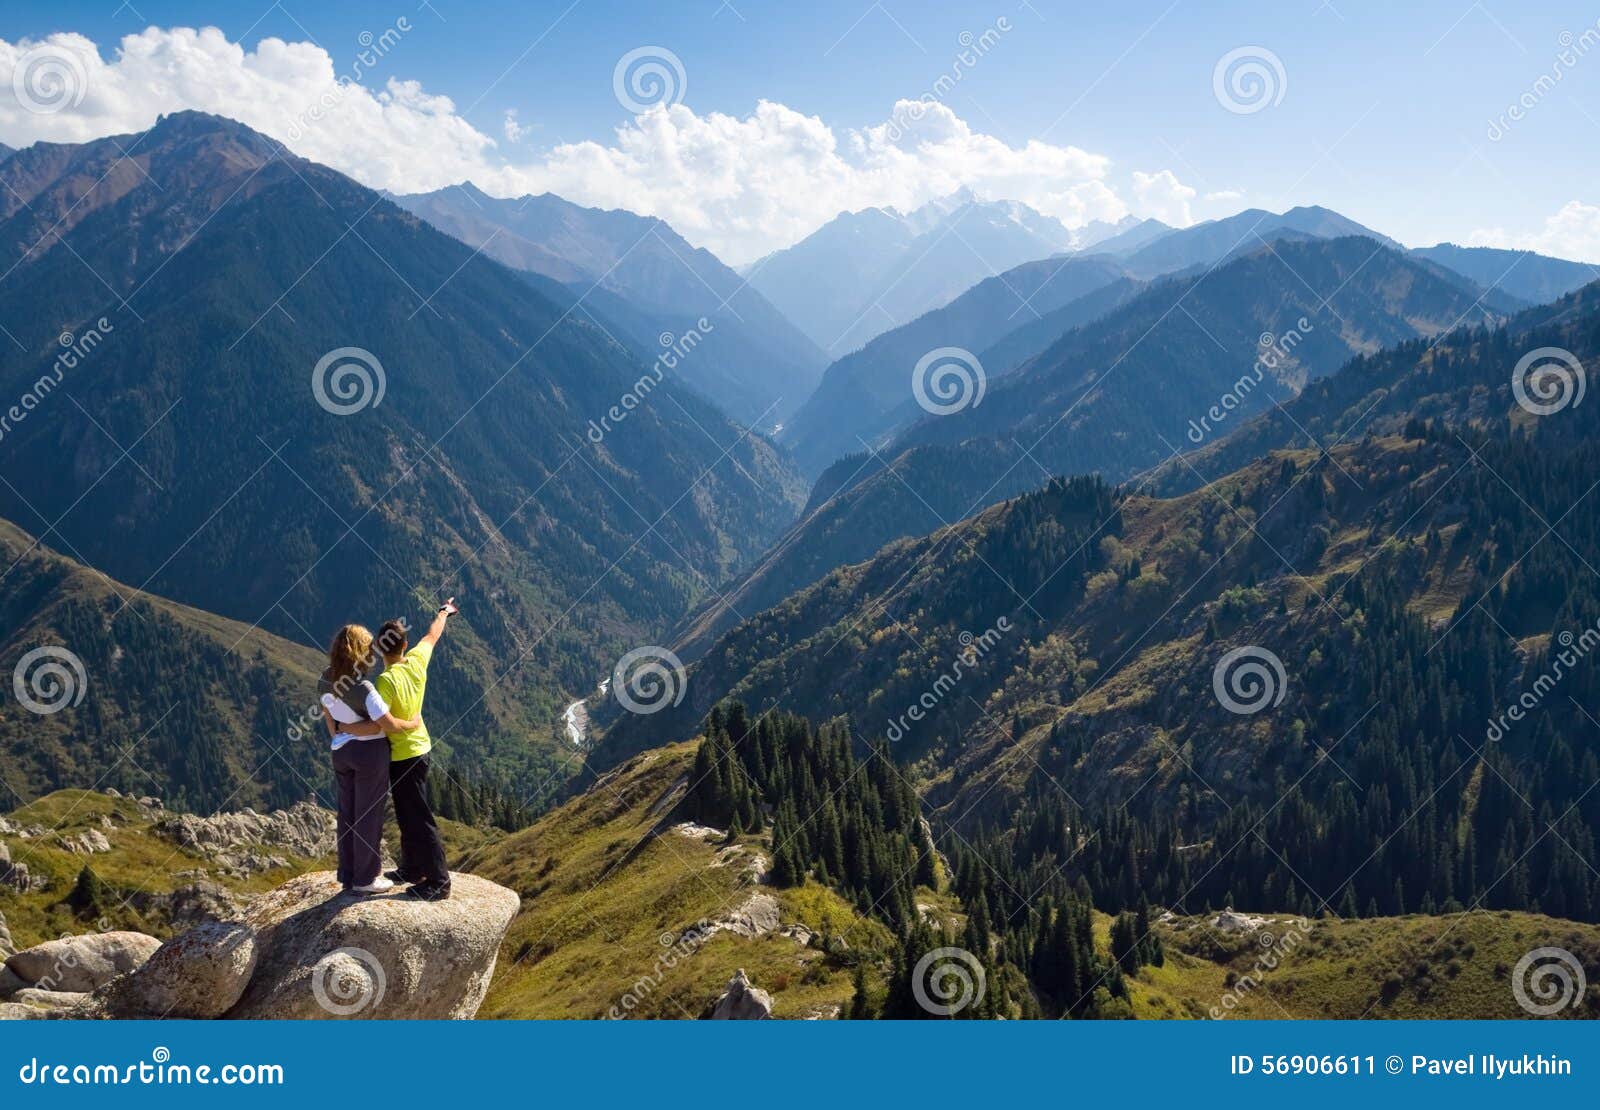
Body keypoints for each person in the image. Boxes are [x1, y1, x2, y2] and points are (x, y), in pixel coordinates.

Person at [320, 623, 420, 895]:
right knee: (368, 815)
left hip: (340, 752)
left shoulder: (325, 679)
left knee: (348, 814)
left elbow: (329, 715)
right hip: (369, 755)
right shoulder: (364, 688)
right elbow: (384, 725)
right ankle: (365, 879)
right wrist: (412, 724)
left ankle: (348, 874)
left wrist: (341, 733)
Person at [372, 598, 457, 901]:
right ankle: (412, 868)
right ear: (405, 644)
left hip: (403, 754)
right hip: (420, 749)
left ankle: (438, 881)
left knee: (419, 816)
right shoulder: (417, 661)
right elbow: (432, 635)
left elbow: (387, 724)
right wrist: (444, 612)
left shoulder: (385, 680)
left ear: (380, 649)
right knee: (408, 813)